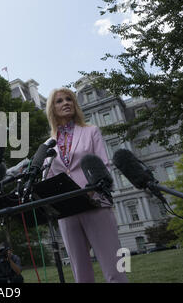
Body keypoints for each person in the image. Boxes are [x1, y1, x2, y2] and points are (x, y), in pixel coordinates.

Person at [43, 87, 128, 283]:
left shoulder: (91, 131)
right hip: (67, 211)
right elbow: (49, 176)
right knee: (80, 274)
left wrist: (94, 189)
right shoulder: (49, 144)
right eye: (59, 101)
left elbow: (103, 164)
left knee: (114, 268)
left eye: (69, 99)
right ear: (52, 109)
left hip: (95, 202)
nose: (65, 103)